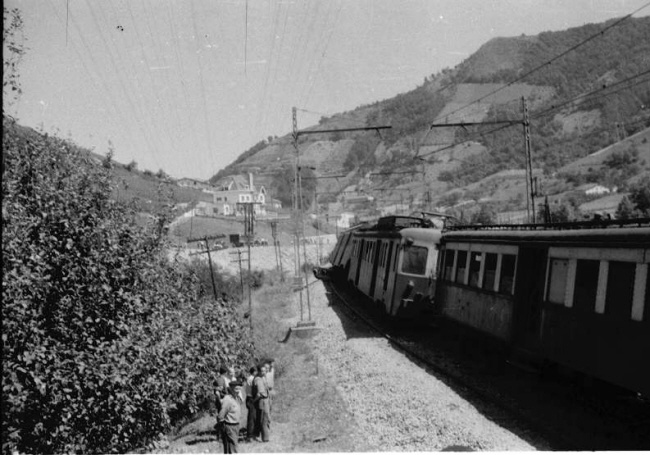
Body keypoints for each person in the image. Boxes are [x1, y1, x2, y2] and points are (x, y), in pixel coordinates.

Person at [217, 380, 244, 453]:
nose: (238, 391)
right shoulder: (228, 399)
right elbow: (221, 415)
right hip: (229, 426)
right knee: (233, 447)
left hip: (236, 425)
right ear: (231, 389)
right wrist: (223, 426)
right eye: (236, 389)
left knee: (230, 447)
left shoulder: (237, 398)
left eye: (239, 389)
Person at [253, 364, 271, 442]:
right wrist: (254, 401)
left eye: (265, 370)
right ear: (259, 371)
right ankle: (265, 438)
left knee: (264, 418)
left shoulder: (263, 377)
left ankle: (260, 435)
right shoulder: (258, 379)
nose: (264, 372)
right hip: (262, 400)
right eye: (262, 371)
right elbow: (259, 393)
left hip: (265, 400)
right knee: (264, 419)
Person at [244, 366, 257, 441]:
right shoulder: (252, 379)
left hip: (249, 398)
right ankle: (249, 435)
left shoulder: (250, 378)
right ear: (254, 372)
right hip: (251, 398)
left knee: (252, 417)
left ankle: (251, 434)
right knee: (251, 418)